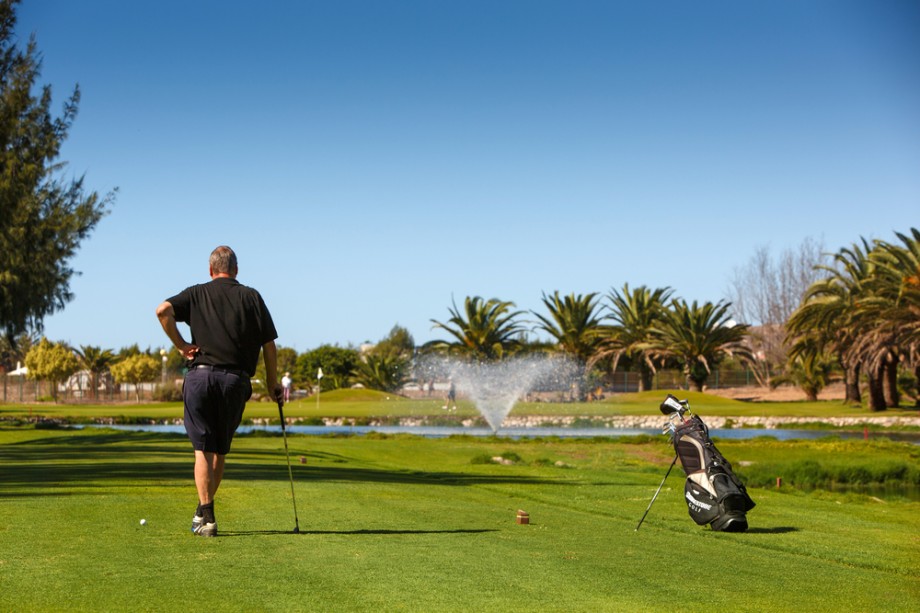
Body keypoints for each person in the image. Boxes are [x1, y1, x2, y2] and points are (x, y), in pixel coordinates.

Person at [156, 245, 280, 537]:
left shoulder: (197, 292)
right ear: (235, 270)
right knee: (219, 450)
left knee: (203, 448)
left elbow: (162, 310)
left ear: (211, 270)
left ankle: (206, 514)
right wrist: (273, 382)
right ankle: (204, 511)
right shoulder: (251, 296)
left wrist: (181, 345)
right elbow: (269, 345)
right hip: (235, 382)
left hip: (200, 378)